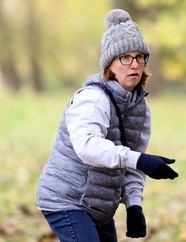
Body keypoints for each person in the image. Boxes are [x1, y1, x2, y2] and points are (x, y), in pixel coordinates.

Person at [36, 9, 178, 242]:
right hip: (66, 200)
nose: (134, 64)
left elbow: (132, 163)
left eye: (139, 57)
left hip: (99, 204)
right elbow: (87, 146)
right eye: (125, 57)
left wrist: (134, 206)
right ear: (110, 64)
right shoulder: (92, 99)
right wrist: (140, 160)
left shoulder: (140, 108)